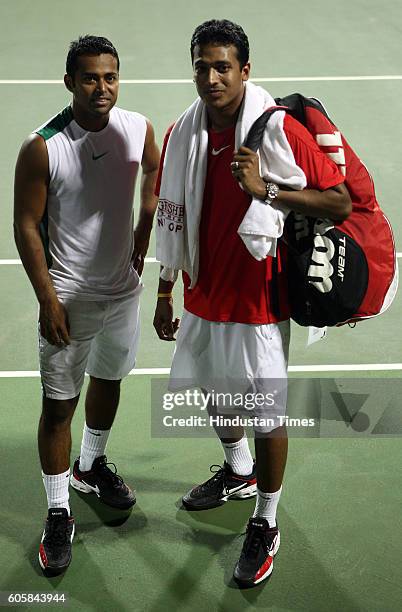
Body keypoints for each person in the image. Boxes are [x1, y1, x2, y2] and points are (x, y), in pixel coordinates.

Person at [153, 20, 351, 588]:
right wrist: (166, 290)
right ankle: (238, 470)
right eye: (201, 66)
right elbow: (176, 217)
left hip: (259, 298)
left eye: (223, 67)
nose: (211, 78)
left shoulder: (278, 128)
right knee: (216, 393)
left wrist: (267, 188)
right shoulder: (182, 132)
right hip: (203, 291)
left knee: (266, 416)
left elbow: (339, 201)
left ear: (246, 70)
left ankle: (265, 519)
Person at [13, 35, 160, 574]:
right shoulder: (44, 147)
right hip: (68, 296)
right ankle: (57, 512)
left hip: (122, 290)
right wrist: (47, 298)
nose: (103, 87)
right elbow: (25, 224)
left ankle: (91, 465)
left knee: (110, 380)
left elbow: (153, 166)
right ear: (70, 81)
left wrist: (145, 223)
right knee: (58, 406)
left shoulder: (136, 127)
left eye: (111, 77)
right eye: (92, 78)